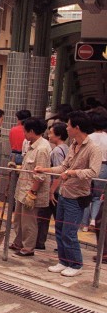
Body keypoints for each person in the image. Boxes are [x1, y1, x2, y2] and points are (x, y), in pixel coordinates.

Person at [36, 111, 102, 277]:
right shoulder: (73, 145)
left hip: (77, 196)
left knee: (69, 232)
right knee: (59, 228)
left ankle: (76, 264)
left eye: (69, 125)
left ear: (76, 127)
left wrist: (73, 173)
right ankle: (63, 261)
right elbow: (63, 167)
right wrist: (44, 169)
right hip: (64, 193)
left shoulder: (93, 148)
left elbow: (94, 171)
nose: (66, 127)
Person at [10, 118, 51, 257]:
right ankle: (18, 242)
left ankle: (28, 248)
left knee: (29, 221)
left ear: (32, 131)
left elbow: (41, 174)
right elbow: (29, 167)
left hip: (31, 191)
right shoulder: (31, 144)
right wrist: (17, 167)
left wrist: (32, 192)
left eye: (25, 131)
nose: (24, 134)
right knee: (18, 220)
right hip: (22, 189)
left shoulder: (42, 148)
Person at [36, 122, 69, 250]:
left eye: (51, 133)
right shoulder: (66, 148)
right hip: (61, 188)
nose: (49, 135)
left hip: (55, 189)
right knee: (58, 218)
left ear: (59, 135)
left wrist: (51, 191)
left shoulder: (56, 151)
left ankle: (40, 242)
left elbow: (58, 173)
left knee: (44, 216)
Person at [82, 113, 107, 231]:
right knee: (97, 197)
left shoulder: (89, 137)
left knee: (86, 194)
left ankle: (84, 224)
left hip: (89, 166)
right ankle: (93, 220)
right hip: (103, 167)